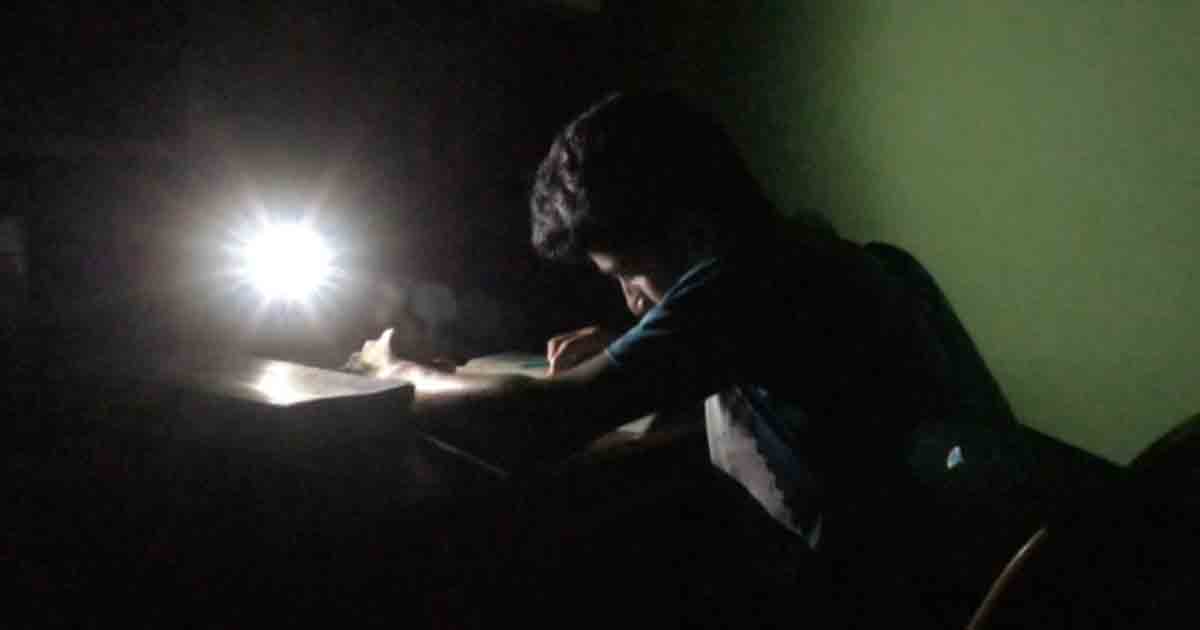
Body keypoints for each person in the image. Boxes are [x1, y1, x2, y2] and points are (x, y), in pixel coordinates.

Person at [352, 91, 963, 626]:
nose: (630, 300)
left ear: (694, 232)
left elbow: (539, 423)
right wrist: (634, 347)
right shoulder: (819, 257)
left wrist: (394, 373)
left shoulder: (748, 283)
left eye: (628, 273)